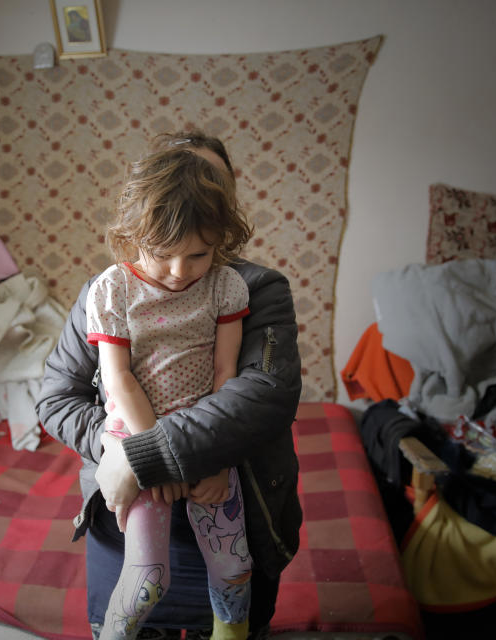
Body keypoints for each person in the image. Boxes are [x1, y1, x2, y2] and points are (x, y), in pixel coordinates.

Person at [36, 132, 303, 640]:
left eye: (209, 187)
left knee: (233, 599)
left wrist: (146, 455)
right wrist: (114, 448)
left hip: (230, 502)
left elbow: (261, 396)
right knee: (135, 601)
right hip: (125, 520)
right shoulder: (107, 291)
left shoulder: (253, 288)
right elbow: (55, 401)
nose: (181, 270)